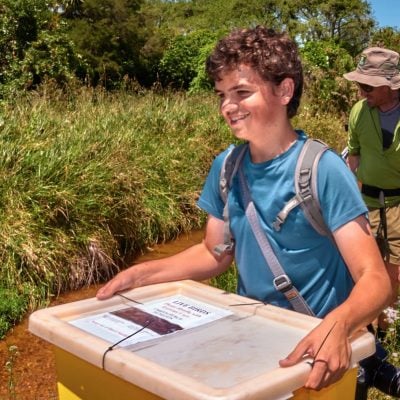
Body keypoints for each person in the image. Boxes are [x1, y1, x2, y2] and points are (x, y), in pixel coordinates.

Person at [97, 26, 391, 394]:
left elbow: (375, 279)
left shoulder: (322, 169)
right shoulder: (226, 168)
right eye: (222, 95)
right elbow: (213, 253)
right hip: (255, 347)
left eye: (241, 92)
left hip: (317, 351)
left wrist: (340, 324)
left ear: (284, 90)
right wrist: (139, 275)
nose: (227, 107)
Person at [343, 47, 400, 337]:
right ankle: (366, 330)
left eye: (368, 86)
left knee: (394, 273)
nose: (362, 91)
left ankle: (385, 331)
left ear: (389, 85)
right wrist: (351, 198)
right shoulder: (358, 111)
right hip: (366, 200)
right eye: (360, 85)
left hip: (398, 203)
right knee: (365, 269)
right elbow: (354, 155)